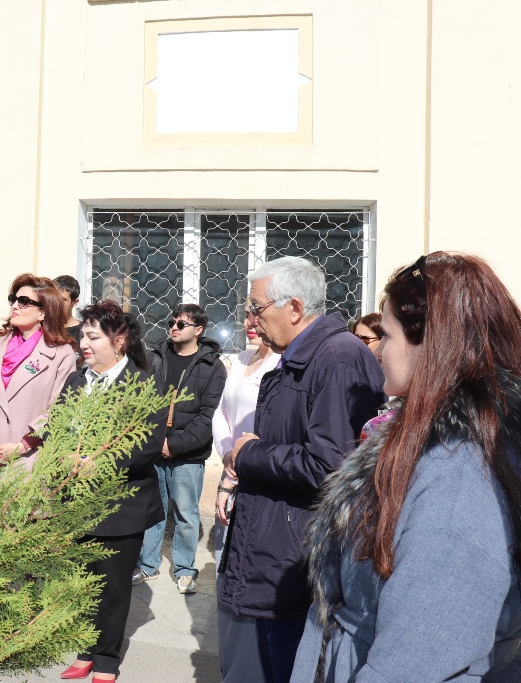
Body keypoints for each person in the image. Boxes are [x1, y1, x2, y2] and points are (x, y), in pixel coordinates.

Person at [292, 253, 521, 681]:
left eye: (389, 336)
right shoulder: (431, 443)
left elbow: (414, 660)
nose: (377, 350)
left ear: (432, 346)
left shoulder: (458, 475)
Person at [218, 256, 384, 683]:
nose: (251, 320)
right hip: (276, 545)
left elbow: (330, 465)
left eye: (257, 308)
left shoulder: (336, 357)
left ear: (293, 308)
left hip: (298, 555)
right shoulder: (301, 354)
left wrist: (250, 455)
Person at [58, 300, 166, 683]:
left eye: (92, 336)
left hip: (123, 504)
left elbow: (150, 442)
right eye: (82, 336)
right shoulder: (76, 381)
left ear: (118, 340)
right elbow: (58, 428)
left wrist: (99, 463)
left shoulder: (144, 381)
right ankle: (85, 649)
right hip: (77, 502)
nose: (83, 344)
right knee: (83, 583)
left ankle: (106, 659)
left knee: (113, 587)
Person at [132, 303, 226, 595]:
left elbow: (208, 416)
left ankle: (185, 569)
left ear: (198, 330)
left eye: (181, 324)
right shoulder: (155, 358)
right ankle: (147, 565)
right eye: (171, 322)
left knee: (186, 513)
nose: (173, 327)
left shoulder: (212, 366)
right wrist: (152, 442)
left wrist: (172, 446)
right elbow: (140, 403)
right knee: (152, 511)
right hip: (153, 452)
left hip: (187, 456)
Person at [210, 300, 279, 683]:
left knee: (248, 582)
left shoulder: (282, 366)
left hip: (258, 476)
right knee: (225, 574)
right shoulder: (239, 359)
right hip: (232, 474)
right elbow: (220, 413)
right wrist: (228, 457)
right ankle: (229, 666)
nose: (250, 323)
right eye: (247, 316)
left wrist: (244, 461)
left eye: (257, 314)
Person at [0, 273, 75, 499]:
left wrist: (22, 446)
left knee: (22, 530)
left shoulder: (61, 355)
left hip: (28, 462)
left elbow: (59, 412)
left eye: (24, 301)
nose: (15, 305)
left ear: (43, 312)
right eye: (14, 299)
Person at [54, 274, 83, 348]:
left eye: (62, 300)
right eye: (54, 298)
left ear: (74, 302)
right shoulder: (43, 329)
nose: (57, 303)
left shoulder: (83, 332)